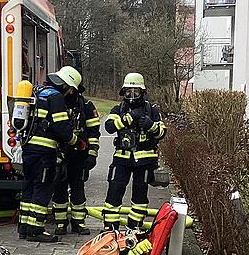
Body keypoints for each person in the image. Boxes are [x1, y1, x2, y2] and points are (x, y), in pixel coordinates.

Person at [18, 66, 86, 243]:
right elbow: (61, 127)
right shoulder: (55, 97)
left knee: (29, 186)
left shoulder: (36, 90)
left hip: (28, 149)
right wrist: (77, 142)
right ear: (65, 84)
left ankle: (24, 228)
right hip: (44, 151)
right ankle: (36, 230)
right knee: (43, 187)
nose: (69, 94)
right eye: (70, 90)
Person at [102, 73, 166, 234]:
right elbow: (109, 127)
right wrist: (129, 118)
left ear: (142, 92)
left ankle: (134, 227)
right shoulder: (118, 109)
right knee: (114, 191)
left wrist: (151, 125)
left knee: (140, 196)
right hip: (122, 159)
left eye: (135, 92)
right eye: (128, 92)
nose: (131, 96)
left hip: (145, 162)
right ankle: (110, 227)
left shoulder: (152, 111)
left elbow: (162, 133)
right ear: (123, 92)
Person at [50, 82, 100, 236]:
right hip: (60, 154)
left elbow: (94, 132)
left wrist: (92, 154)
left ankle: (78, 223)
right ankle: (60, 223)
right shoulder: (56, 102)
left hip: (79, 155)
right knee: (59, 189)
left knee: (78, 188)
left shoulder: (86, 106)